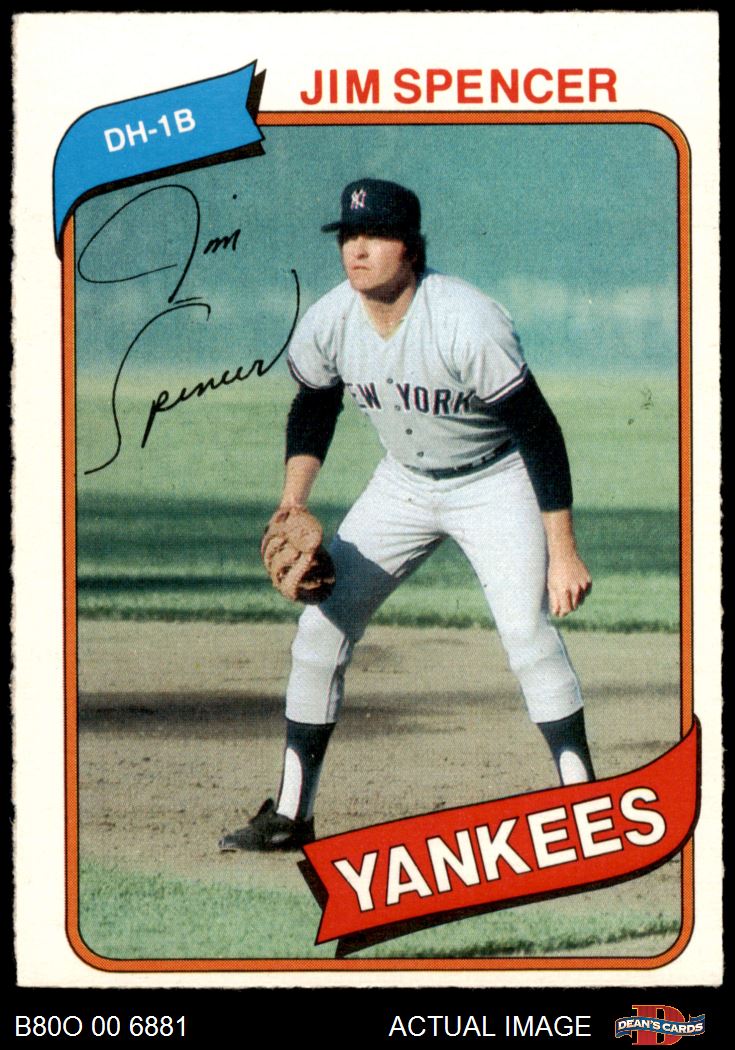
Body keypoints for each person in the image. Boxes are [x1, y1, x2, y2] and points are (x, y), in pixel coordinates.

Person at [219, 178, 594, 853]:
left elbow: (538, 430)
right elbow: (314, 405)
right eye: (348, 237)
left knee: (526, 634)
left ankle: (585, 808)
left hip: (494, 480)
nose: (356, 250)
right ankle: (292, 814)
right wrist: (292, 500)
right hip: (403, 483)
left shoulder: (465, 320)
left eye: (375, 236)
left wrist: (561, 552)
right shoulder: (331, 319)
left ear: (411, 250)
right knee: (321, 628)